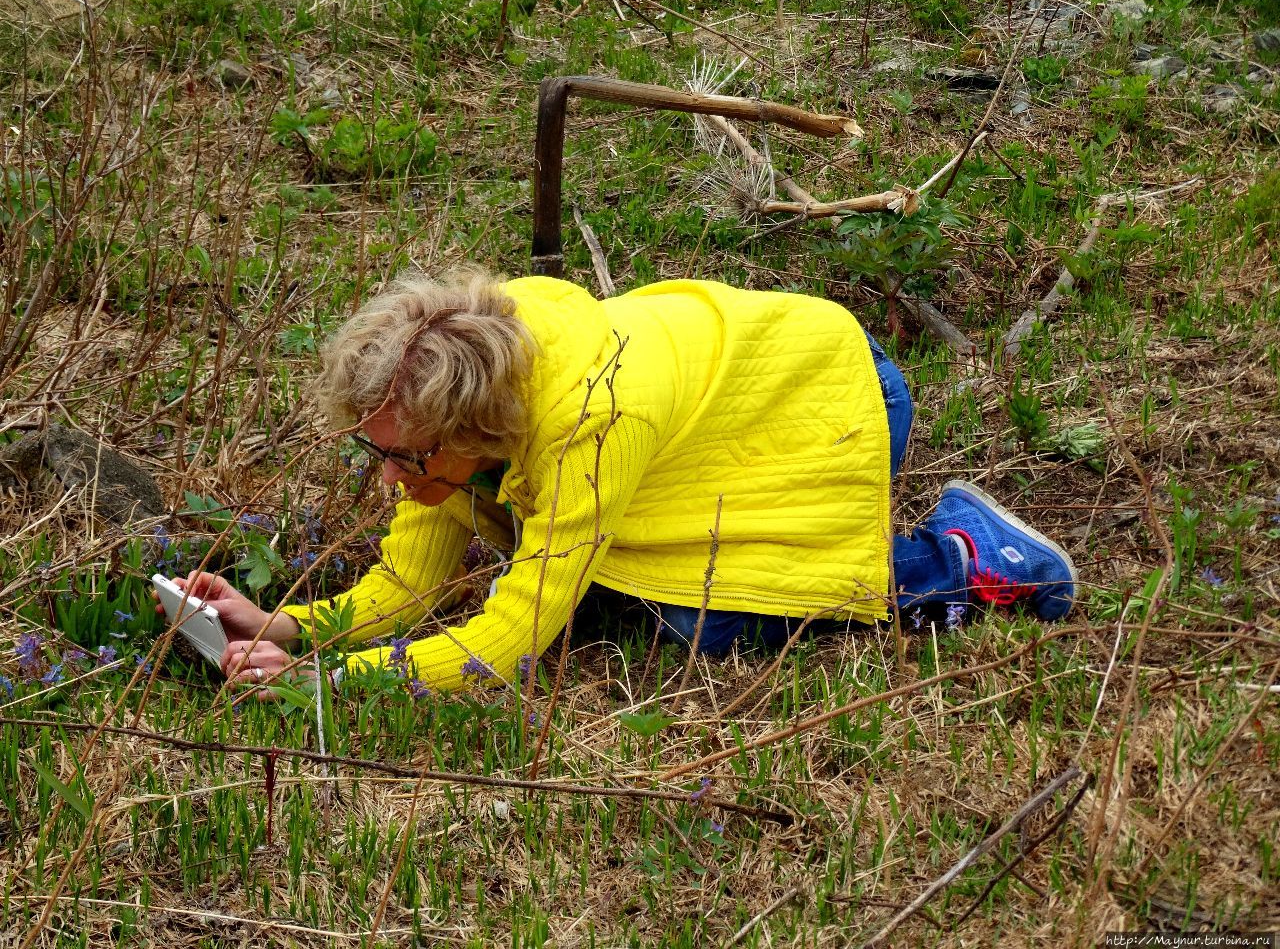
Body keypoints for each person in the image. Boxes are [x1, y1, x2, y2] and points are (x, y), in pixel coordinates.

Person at [171, 272, 1077, 693]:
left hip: (827, 397)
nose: (395, 481)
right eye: (379, 454)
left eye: (409, 460)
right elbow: (413, 579)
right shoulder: (463, 397)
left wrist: (323, 687)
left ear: (475, 429)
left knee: (701, 624)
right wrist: (286, 625)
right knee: (607, 602)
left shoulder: (586, 419)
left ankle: (961, 560)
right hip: (711, 421)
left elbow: (507, 634)